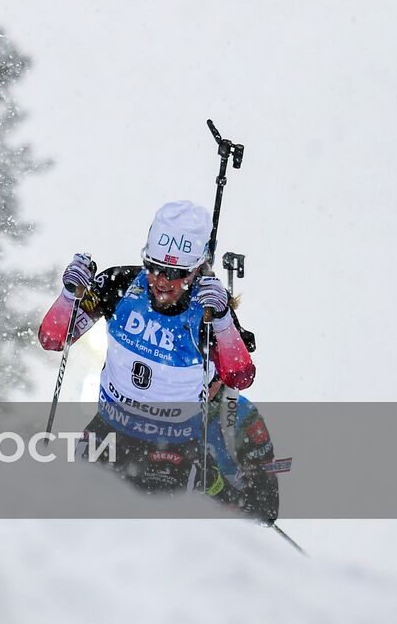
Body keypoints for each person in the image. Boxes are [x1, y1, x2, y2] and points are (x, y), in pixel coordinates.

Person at [39, 200, 256, 494]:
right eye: (153, 267)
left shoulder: (208, 311)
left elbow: (240, 377)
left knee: (152, 532)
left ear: (197, 269)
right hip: (108, 436)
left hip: (174, 451)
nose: (161, 281)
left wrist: (223, 320)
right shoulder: (120, 284)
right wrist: (69, 295)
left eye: (175, 273)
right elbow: (53, 339)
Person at [203, 373, 281, 523]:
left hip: (218, 526)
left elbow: (266, 508)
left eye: (208, 377)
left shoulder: (242, 416)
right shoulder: (152, 397)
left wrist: (217, 487)